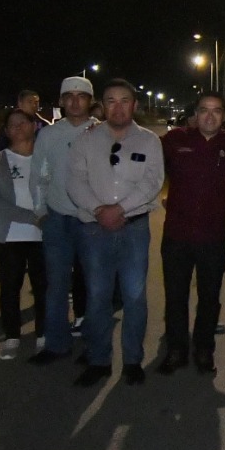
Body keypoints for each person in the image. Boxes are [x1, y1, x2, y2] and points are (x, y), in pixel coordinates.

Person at [66, 79, 164, 386]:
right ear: (102, 105)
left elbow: (152, 182)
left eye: (125, 101)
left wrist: (119, 209)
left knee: (135, 296)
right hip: (94, 231)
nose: (118, 107)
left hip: (134, 229)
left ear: (135, 105)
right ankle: (99, 359)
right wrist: (99, 209)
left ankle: (132, 359)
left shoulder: (150, 140)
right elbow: (75, 181)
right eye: (111, 101)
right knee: (97, 296)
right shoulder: (86, 140)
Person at [157, 93, 225, 376]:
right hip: (177, 235)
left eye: (217, 111)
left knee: (209, 296)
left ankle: (204, 349)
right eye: (204, 110)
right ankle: (176, 349)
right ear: (195, 114)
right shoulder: (174, 141)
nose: (210, 116)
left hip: (213, 236)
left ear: (224, 116)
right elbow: (142, 158)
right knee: (175, 296)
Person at [29, 76, 98, 364]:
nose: (74, 101)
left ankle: (95, 346)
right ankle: (56, 343)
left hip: (91, 221)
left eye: (81, 96)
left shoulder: (102, 133)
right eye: (68, 96)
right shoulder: (48, 135)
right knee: (56, 285)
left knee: (97, 285)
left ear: (90, 101)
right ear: (60, 101)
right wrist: (40, 212)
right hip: (58, 219)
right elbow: (38, 176)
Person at [0, 108, 47, 360]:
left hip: (43, 237)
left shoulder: (45, 159)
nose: (19, 127)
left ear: (33, 126)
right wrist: (32, 218)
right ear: (6, 131)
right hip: (9, 237)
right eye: (12, 125)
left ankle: (43, 333)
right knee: (10, 288)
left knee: (44, 287)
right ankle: (12, 336)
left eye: (24, 122)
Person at [0, 89, 51, 153]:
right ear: (20, 103)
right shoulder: (11, 126)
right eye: (30, 102)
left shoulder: (44, 124)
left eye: (36, 102)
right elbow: (0, 150)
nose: (34, 105)